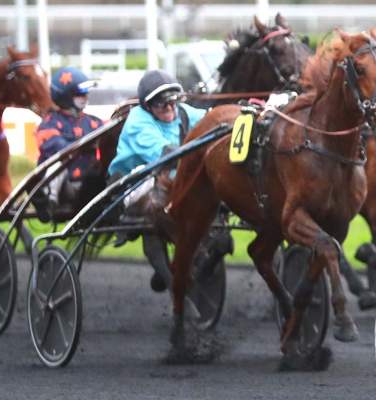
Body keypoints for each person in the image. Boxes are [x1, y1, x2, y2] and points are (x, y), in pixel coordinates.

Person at [108, 69, 233, 292]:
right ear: (148, 106)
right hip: (134, 181)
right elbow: (166, 155)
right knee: (158, 204)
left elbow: (214, 121)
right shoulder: (137, 122)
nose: (169, 108)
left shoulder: (184, 112)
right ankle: (174, 266)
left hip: (172, 177)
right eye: (161, 104)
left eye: (172, 101)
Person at [34, 66, 103, 218]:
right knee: (57, 165)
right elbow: (57, 147)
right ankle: (50, 203)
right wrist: (85, 145)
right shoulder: (49, 123)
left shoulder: (94, 123)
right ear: (64, 96)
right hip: (63, 187)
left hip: (87, 185)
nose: (85, 97)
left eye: (86, 93)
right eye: (80, 94)